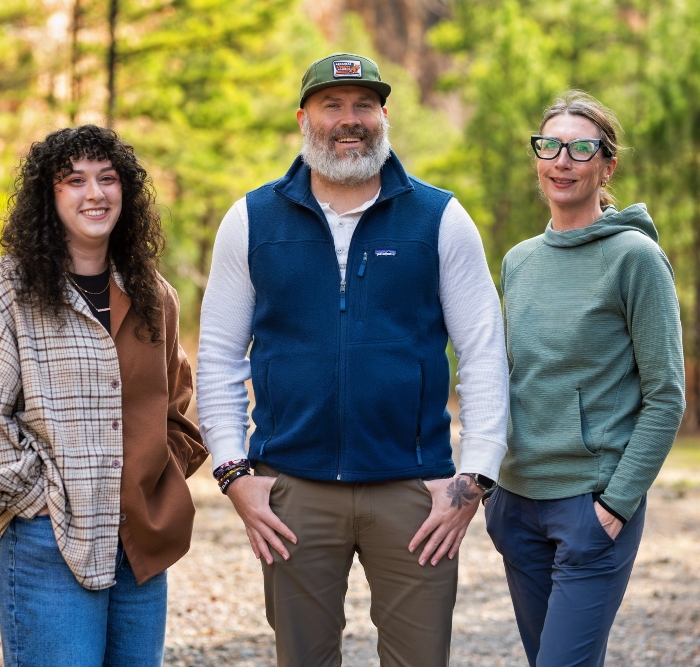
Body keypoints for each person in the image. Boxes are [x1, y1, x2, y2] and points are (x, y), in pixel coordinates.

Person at [196, 53, 509, 667]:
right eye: (331, 105)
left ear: (384, 116)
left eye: (364, 105)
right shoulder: (251, 220)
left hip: (414, 490)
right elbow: (219, 360)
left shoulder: (440, 218)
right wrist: (234, 475)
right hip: (292, 491)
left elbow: (483, 353)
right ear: (303, 118)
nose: (349, 120)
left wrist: (473, 479)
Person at [0, 125, 207, 667]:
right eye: (75, 180)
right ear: (49, 195)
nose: (95, 193)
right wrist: (44, 500)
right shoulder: (5, 290)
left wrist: (152, 483)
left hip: (139, 544)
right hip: (46, 542)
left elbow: (176, 412)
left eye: (108, 178)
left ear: (126, 191)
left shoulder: (154, 295)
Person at [488, 90, 685, 667]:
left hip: (591, 504)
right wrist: (492, 490)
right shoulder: (519, 260)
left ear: (607, 166)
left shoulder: (635, 258)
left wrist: (617, 504)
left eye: (580, 148)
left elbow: (666, 395)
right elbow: (506, 375)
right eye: (549, 146)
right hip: (517, 503)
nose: (562, 161)